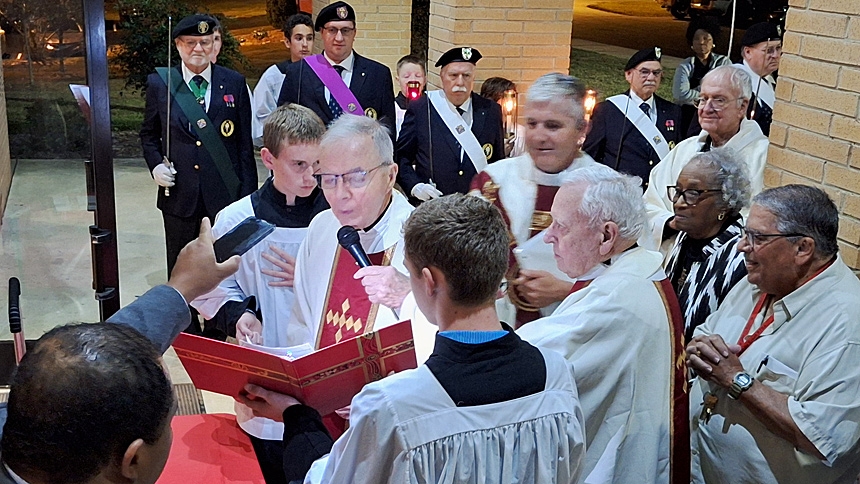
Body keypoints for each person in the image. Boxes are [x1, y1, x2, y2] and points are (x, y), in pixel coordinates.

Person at [239, 194, 587, 484]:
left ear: (429, 281)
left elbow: (326, 480)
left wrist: (297, 417)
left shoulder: (394, 406)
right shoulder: (557, 376)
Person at [0, 220, 241, 484]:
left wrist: (181, 288)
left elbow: (94, 361)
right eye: (169, 420)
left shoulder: (31, 416)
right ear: (133, 460)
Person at [517, 165, 689, 484]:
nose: (549, 236)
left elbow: (532, 365)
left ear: (607, 236)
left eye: (561, 226)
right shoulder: (633, 269)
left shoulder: (618, 299)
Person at [190, 104, 328, 484]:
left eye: (317, 164)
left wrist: (310, 276)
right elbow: (209, 285)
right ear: (268, 159)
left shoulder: (337, 218)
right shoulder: (239, 220)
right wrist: (239, 315)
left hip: (324, 371)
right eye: (299, 165)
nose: (311, 176)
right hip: (267, 366)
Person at [686, 185, 860, 483]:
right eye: (746, 234)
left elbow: (824, 438)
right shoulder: (762, 279)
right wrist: (698, 350)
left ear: (803, 249)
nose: (742, 247)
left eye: (758, 238)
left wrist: (737, 381)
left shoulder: (846, 325)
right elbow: (705, 333)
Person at [140, 14, 257, 286]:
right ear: (178, 45)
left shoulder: (234, 82)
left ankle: (221, 314)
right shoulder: (161, 83)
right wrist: (156, 165)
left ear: (214, 44)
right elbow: (148, 134)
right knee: (180, 269)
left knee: (224, 268)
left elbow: (243, 147)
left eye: (205, 42)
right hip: (180, 195)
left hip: (224, 195)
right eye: (190, 42)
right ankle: (183, 314)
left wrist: (249, 197)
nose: (198, 49)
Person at [470, 73, 595, 327]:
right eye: (532, 124)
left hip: (581, 334)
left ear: (582, 129)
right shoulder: (492, 183)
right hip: (500, 331)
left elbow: (631, 284)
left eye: (553, 126)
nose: (539, 136)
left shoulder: (608, 192)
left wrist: (567, 290)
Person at [641, 64, 769, 252]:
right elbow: (648, 205)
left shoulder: (763, 157)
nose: (707, 108)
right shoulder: (684, 150)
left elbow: (761, 222)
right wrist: (671, 223)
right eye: (702, 99)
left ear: (742, 106)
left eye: (719, 100)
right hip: (671, 255)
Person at [396, 47, 505, 202]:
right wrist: (415, 186)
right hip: (433, 204)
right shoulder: (422, 107)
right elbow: (402, 157)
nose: (460, 82)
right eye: (453, 75)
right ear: (442, 77)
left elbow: (498, 163)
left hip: (475, 206)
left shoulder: (490, 110)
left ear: (473, 77)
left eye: (466, 75)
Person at [663, 148, 751, 341]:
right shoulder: (686, 234)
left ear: (725, 202)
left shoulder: (741, 254)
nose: (678, 203)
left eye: (693, 193)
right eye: (678, 191)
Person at [276, 2, 396, 138]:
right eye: (332, 30)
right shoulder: (299, 72)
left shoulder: (378, 75)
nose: (339, 38)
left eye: (345, 31)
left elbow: (388, 133)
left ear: (354, 33)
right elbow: (283, 126)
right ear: (322, 32)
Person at [583, 47, 683, 185]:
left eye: (656, 73)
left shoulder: (672, 111)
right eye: (644, 72)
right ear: (628, 75)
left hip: (657, 191)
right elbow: (590, 155)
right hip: (620, 191)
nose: (651, 78)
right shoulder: (607, 110)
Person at [253, 13, 315, 145]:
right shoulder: (274, 76)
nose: (305, 44)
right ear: (287, 42)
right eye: (299, 38)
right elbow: (262, 118)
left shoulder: (325, 73)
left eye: (309, 38)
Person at [672, 16, 730, 137]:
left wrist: (696, 94)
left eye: (706, 38)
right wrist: (709, 94)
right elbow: (680, 94)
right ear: (691, 43)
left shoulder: (723, 63)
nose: (701, 42)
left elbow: (725, 90)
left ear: (713, 41)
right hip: (688, 117)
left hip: (715, 117)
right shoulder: (685, 66)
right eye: (696, 39)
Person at [736, 22, 782, 136]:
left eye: (778, 48)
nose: (776, 55)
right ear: (748, 52)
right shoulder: (731, 81)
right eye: (768, 50)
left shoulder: (777, 79)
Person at [479, 76, 525, 158]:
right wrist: (500, 153)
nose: (510, 102)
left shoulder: (519, 133)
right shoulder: (478, 128)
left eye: (512, 97)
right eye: (505, 97)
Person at [393, 54, 426, 137]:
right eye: (406, 76)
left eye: (418, 76)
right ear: (398, 80)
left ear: (425, 80)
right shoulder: (393, 108)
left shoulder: (430, 107)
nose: (413, 80)